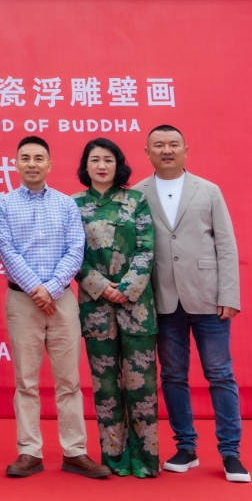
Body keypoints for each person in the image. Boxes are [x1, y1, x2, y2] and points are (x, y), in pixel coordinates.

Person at [0, 136, 111, 481]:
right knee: (26, 382)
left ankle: (75, 452)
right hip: (22, 300)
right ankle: (29, 452)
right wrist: (36, 289)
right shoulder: (3, 205)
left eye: (38, 158)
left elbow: (75, 249)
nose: (32, 164)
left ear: (49, 164)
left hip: (62, 300)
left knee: (69, 381)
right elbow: (7, 251)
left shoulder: (66, 204)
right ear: (15, 164)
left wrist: (52, 288)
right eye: (25, 158)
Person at [136, 125, 250, 484]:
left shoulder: (208, 190)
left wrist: (229, 295)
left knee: (220, 374)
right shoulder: (137, 194)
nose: (166, 150)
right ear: (147, 152)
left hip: (208, 298)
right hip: (163, 299)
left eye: (173, 144)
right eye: (158, 145)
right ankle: (185, 447)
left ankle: (231, 452)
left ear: (186, 149)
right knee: (172, 375)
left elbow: (226, 244)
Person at [75, 137, 159, 478]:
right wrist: (101, 287)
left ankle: (146, 459)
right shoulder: (73, 204)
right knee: (105, 386)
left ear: (118, 164)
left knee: (142, 385)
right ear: (85, 166)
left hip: (137, 307)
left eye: (108, 160)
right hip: (96, 308)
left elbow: (146, 247)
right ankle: (114, 458)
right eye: (95, 160)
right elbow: (72, 254)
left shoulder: (136, 200)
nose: (102, 166)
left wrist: (126, 289)